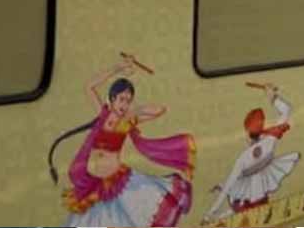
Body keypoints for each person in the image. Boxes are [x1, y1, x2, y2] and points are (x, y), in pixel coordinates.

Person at [46, 56, 195, 227]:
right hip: (93, 184)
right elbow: (89, 87)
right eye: (121, 99)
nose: (124, 104)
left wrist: (136, 110)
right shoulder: (103, 114)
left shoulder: (127, 121)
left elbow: (159, 110)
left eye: (128, 100)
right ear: (112, 99)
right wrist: (117, 68)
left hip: (118, 183)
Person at [203, 84, 300, 223]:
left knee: (235, 213)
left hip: (247, 203)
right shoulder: (269, 141)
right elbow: (286, 110)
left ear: (247, 134)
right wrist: (272, 97)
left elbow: (228, 188)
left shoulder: (243, 159)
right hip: (262, 199)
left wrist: (209, 214)